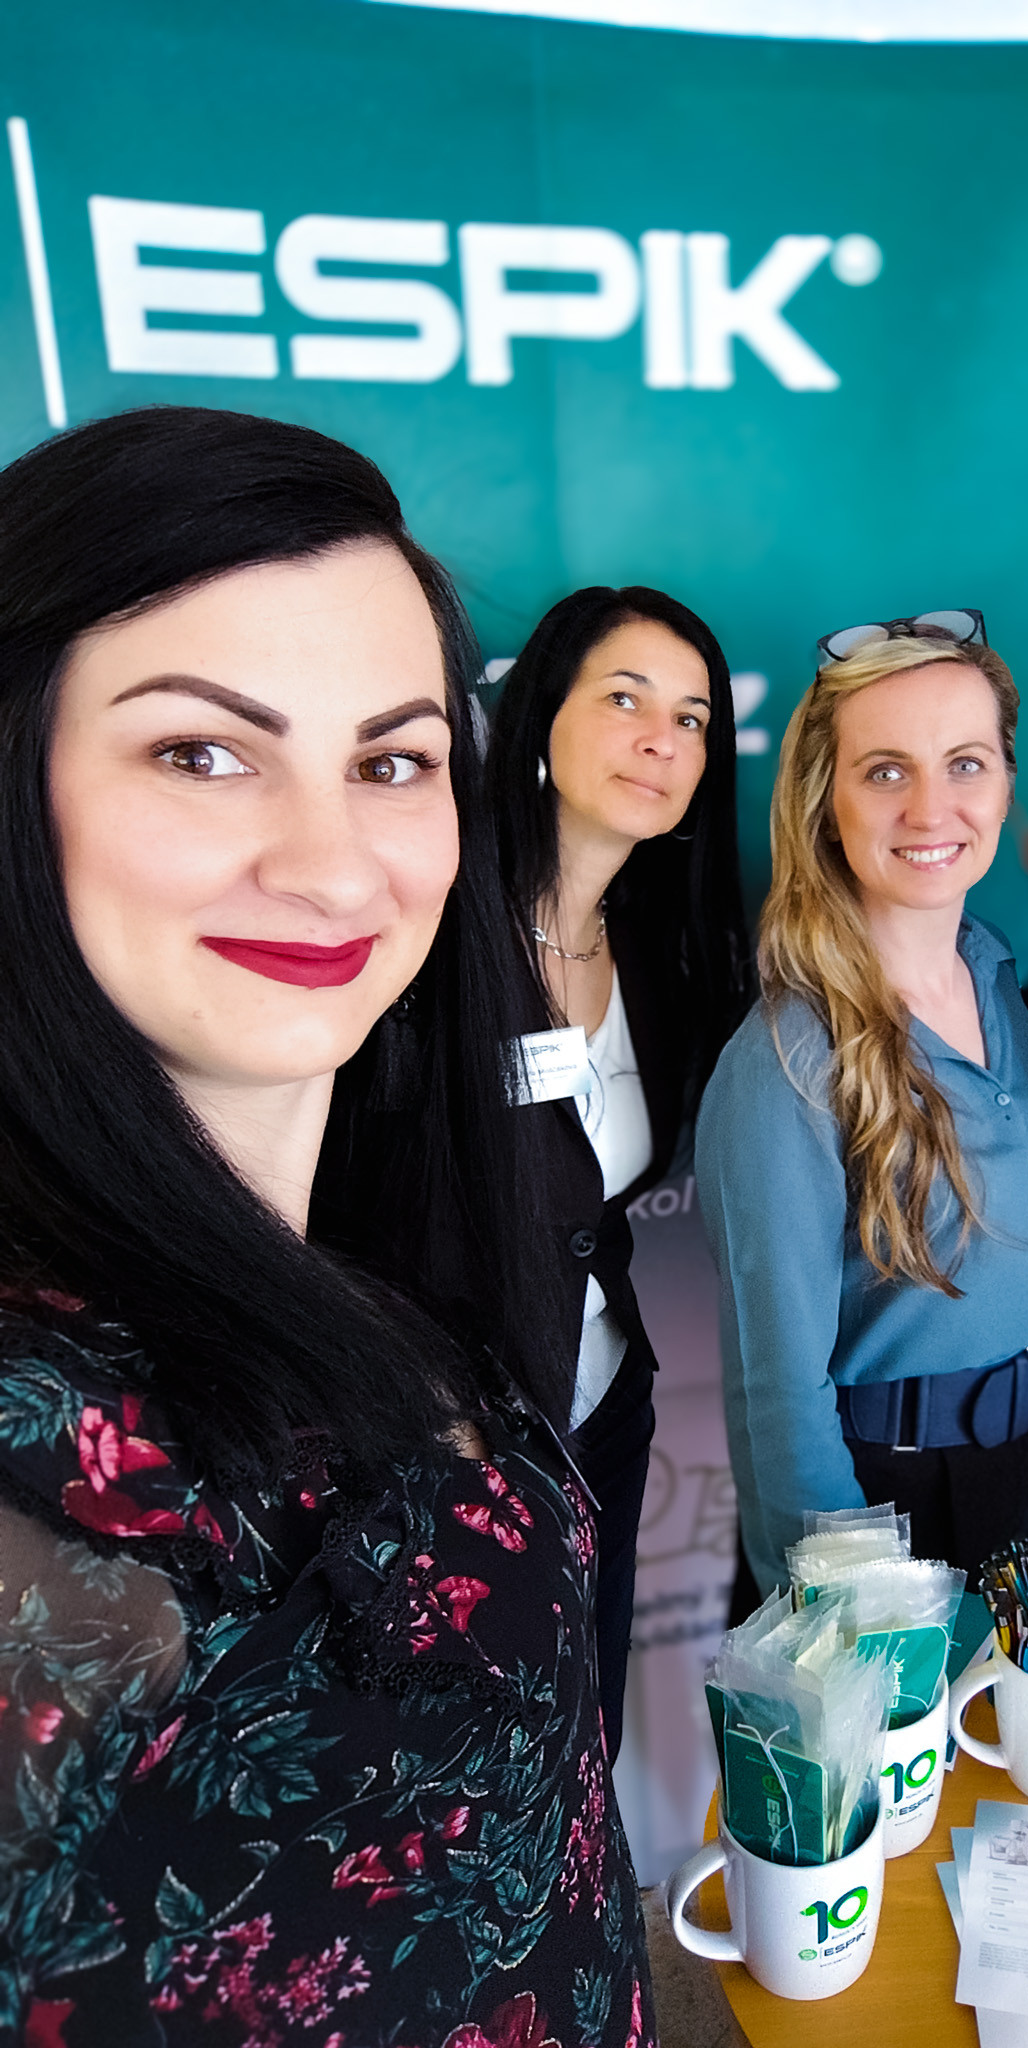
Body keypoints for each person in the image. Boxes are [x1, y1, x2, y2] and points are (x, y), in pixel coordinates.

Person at [0, 408, 653, 2047]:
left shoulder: (386, 1255)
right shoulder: (41, 1454)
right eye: (201, 752)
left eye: (389, 761)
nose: (331, 861)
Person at [696, 616, 1028, 1603]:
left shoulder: (996, 976)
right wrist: (844, 1606)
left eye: (965, 764)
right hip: (883, 1503)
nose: (930, 807)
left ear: (1005, 785)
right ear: (827, 801)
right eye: (885, 771)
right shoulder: (785, 1061)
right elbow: (778, 1390)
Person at [485, 586, 750, 1753]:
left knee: (584, 1734)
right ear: (542, 712)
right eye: (626, 699)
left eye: (692, 718)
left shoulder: (654, 944)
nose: (662, 739)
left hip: (607, 1413)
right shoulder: (441, 931)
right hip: (455, 1444)